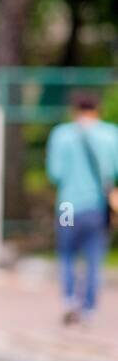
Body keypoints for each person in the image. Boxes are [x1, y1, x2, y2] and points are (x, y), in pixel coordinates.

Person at [46, 93, 118, 324]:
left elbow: (54, 173)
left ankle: (69, 299)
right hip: (96, 206)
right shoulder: (110, 135)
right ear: (98, 108)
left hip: (67, 205)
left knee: (67, 253)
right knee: (93, 257)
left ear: (73, 109)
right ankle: (88, 309)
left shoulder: (61, 135)